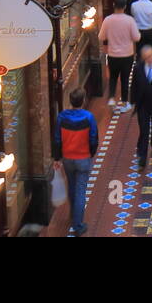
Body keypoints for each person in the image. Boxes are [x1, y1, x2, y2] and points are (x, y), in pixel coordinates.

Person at [52, 87, 98, 237]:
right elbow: (93, 138)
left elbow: (57, 138)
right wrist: (91, 153)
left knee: (71, 186)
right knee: (80, 191)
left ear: (70, 101)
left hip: (68, 158)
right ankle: (78, 225)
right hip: (83, 158)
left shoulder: (62, 117)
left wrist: (57, 157)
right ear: (83, 100)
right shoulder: (88, 117)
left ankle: (73, 214)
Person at [99, 0, 140, 112]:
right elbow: (136, 37)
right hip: (127, 55)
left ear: (114, 5)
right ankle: (125, 102)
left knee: (113, 77)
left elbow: (101, 36)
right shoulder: (129, 20)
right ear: (125, 7)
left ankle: (112, 98)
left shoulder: (107, 20)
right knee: (125, 79)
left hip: (112, 54)